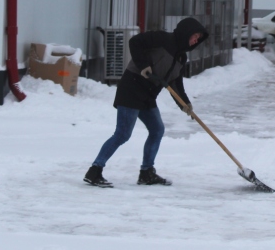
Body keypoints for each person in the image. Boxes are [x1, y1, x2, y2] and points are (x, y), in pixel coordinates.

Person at [84, 17, 208, 187]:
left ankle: (146, 173)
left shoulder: (181, 58)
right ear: (186, 32)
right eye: (195, 36)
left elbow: (175, 84)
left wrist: (185, 104)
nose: (196, 40)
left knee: (157, 130)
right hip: (132, 89)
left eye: (198, 38)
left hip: (148, 96)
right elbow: (135, 41)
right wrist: (144, 65)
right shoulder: (162, 39)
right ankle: (95, 171)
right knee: (122, 134)